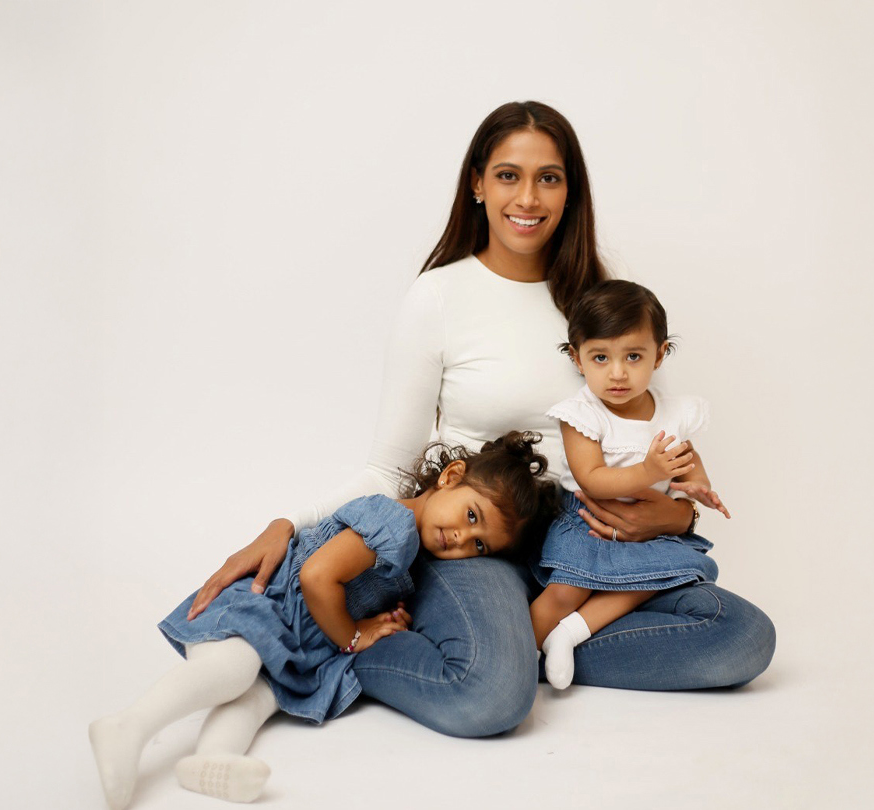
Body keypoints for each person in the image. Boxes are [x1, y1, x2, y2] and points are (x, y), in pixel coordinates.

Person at [186, 100, 775, 743]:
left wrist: (678, 516)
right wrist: (285, 523)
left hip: (588, 545)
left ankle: (524, 644)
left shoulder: (598, 299)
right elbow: (391, 468)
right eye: (507, 175)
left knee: (741, 637)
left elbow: (651, 436)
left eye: (549, 177)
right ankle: (338, 658)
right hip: (478, 537)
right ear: (476, 183)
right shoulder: (439, 297)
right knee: (491, 701)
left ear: (570, 190)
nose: (528, 197)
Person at [91, 433, 558, 808]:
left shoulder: (409, 551)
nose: (461, 539)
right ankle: (127, 727)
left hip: (294, 639)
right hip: (265, 606)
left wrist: (381, 614)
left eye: (479, 545)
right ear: (450, 477)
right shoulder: (393, 522)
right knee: (232, 670)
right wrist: (353, 637)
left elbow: (357, 587)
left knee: (259, 696)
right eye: (471, 516)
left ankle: (212, 760)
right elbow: (316, 578)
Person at [530, 280, 735, 689]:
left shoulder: (673, 411)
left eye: (634, 356)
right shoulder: (583, 414)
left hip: (647, 537)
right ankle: (519, 654)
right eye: (600, 357)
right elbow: (592, 479)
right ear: (577, 358)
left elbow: (688, 462)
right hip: (588, 524)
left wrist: (697, 488)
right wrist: (649, 473)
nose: (617, 373)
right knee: (566, 592)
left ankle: (569, 635)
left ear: (660, 356)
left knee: (655, 579)